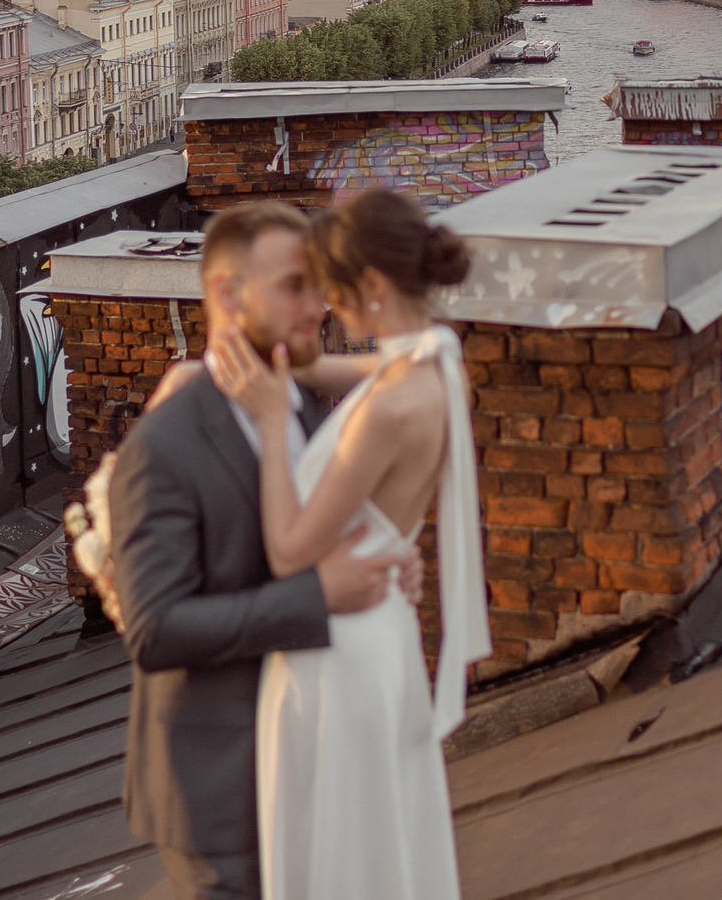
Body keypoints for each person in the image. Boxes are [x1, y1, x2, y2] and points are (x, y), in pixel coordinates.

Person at [95, 202, 422, 900]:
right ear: (224, 292)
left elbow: (302, 533)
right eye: (295, 285)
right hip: (224, 791)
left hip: (310, 759)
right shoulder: (165, 444)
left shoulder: (293, 396)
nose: (319, 303)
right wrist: (321, 595)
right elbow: (156, 629)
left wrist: (381, 560)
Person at [209, 188, 490, 900]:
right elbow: (330, 372)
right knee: (380, 848)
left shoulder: (390, 409)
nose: (326, 309)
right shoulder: (432, 365)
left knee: (339, 858)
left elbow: (292, 550)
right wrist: (264, 352)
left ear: (370, 286)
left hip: (336, 654)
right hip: (383, 641)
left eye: (333, 292)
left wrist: (273, 424)